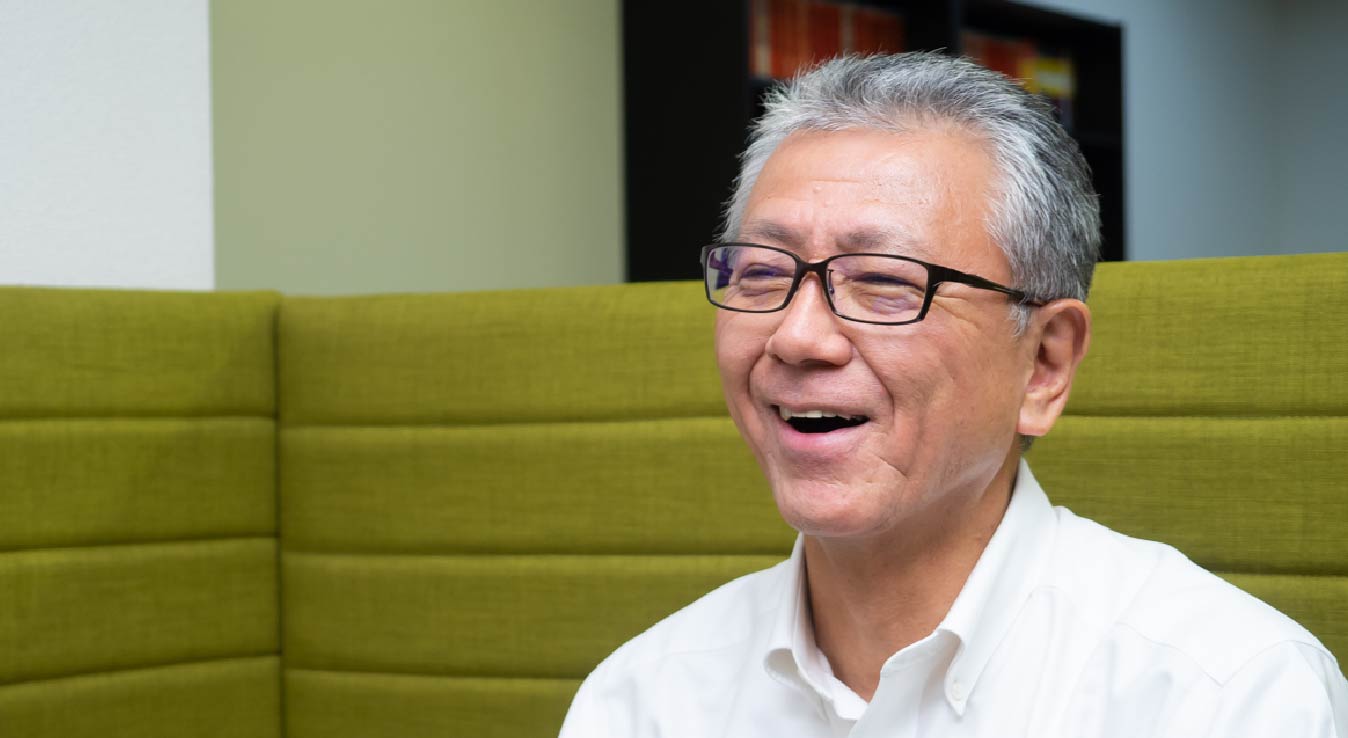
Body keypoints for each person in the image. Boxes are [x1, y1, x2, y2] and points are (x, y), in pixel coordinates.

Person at [559, 52, 1348, 736]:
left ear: (1044, 365)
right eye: (763, 272)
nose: (798, 338)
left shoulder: (1225, 695)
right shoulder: (644, 699)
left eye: (884, 282)